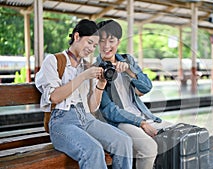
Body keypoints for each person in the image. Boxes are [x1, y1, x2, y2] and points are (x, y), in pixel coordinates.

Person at [35, 19, 133, 169]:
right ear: (76, 37)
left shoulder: (86, 66)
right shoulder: (54, 60)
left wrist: (101, 84)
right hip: (62, 121)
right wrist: (83, 76)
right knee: (93, 150)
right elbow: (54, 97)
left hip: (85, 117)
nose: (91, 48)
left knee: (124, 141)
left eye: (94, 45)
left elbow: (92, 107)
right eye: (89, 42)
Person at [95, 19, 172, 169]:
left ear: (118, 42)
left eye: (111, 40)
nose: (106, 46)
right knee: (148, 148)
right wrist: (140, 123)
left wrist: (130, 71)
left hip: (142, 114)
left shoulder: (127, 59)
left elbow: (147, 87)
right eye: (102, 41)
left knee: (180, 132)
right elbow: (109, 110)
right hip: (119, 122)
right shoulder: (96, 69)